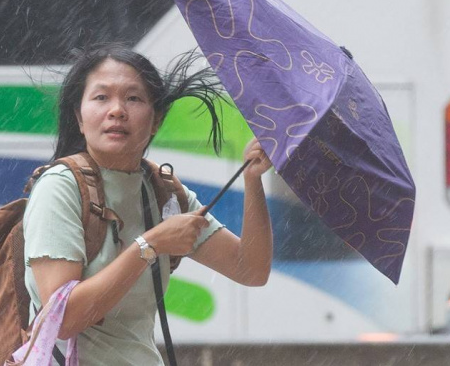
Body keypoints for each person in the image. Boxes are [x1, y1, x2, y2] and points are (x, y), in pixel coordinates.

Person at [23, 45, 273, 365]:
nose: (117, 110)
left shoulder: (163, 192)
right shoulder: (60, 187)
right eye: (101, 97)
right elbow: (64, 320)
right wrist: (151, 243)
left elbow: (250, 269)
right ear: (79, 117)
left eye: (133, 98)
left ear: (156, 120)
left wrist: (253, 181)